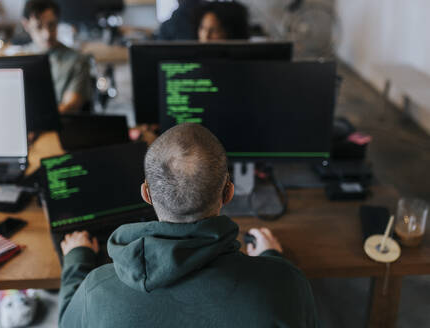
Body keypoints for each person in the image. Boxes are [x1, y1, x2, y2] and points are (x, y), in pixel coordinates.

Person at [58, 123, 319, 327]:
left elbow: (66, 324)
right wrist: (271, 257)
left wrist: (77, 261)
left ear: (146, 194)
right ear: (228, 192)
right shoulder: (285, 285)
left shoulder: (97, 289)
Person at [20, 0, 92, 114]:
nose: (47, 34)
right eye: (39, 26)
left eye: (51, 25)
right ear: (26, 25)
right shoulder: (20, 58)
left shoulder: (77, 60)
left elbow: (70, 106)